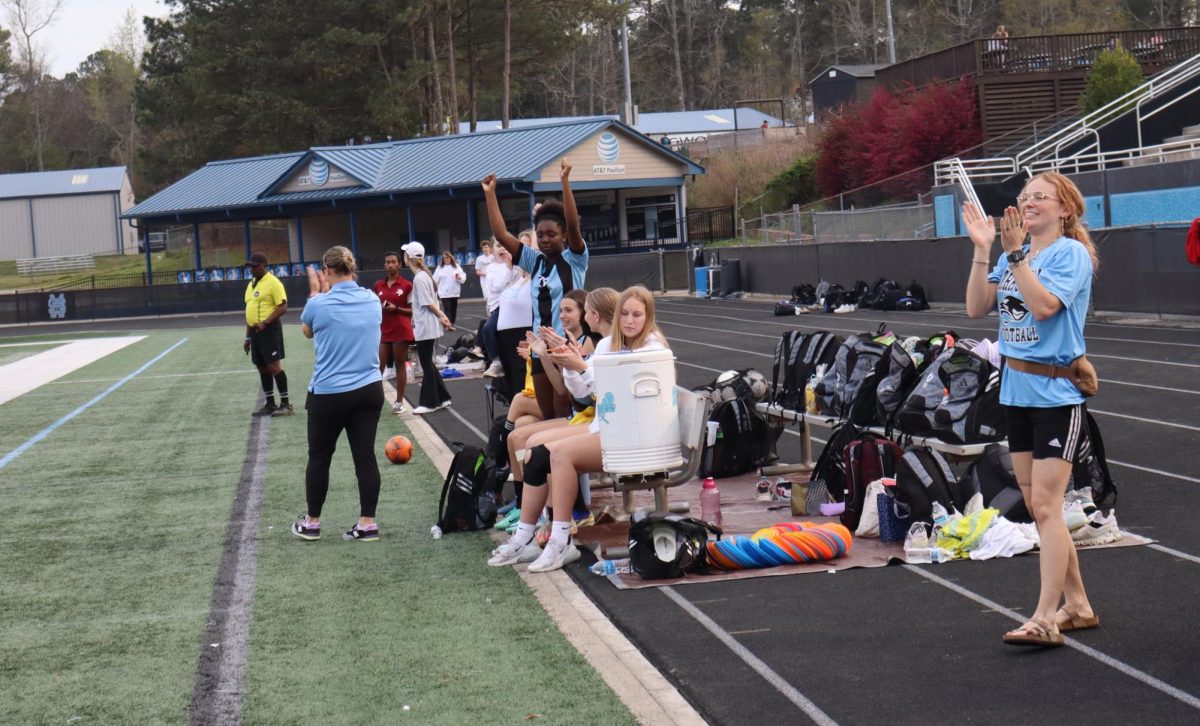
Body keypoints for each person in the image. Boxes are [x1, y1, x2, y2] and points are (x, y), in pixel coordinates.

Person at [962, 172, 1103, 647]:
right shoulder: (1011, 255)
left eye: (1039, 197)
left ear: (1065, 209)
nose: (1028, 204)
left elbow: (1043, 307)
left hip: (1056, 397)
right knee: (1042, 509)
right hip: (1016, 394)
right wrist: (984, 249)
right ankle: (1078, 606)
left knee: (1044, 505)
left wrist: (1018, 255)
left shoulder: (1071, 254)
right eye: (1024, 199)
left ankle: (1045, 617)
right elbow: (976, 307)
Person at [490, 286, 667, 572]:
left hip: (635, 437)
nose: (630, 320)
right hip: (609, 428)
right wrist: (570, 363)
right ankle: (527, 536)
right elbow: (581, 390)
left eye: (637, 314)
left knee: (559, 454)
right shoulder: (610, 344)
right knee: (535, 452)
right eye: (624, 313)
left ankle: (561, 541)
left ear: (648, 316)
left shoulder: (652, 348)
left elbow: (617, 393)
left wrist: (581, 367)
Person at [291, 246, 384, 542]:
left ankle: (313, 522)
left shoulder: (318, 304)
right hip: (370, 388)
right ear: (352, 268)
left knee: (319, 457)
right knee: (365, 456)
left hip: (330, 391)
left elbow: (307, 332)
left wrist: (315, 292)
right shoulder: (372, 299)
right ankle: (367, 523)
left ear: (327, 271)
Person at [482, 159, 588, 420]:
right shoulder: (534, 260)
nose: (544, 239)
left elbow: (573, 224)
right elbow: (501, 233)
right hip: (539, 350)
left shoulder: (574, 259)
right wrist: (490, 195)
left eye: (551, 234)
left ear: (563, 235)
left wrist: (565, 181)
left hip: (566, 347)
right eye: (540, 235)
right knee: (547, 415)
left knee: (564, 414)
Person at [403, 241, 454, 414]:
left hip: (425, 327)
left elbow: (428, 303)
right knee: (428, 363)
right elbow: (432, 302)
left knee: (426, 363)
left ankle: (430, 402)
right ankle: (443, 397)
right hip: (427, 325)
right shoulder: (424, 276)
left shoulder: (419, 278)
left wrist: (442, 316)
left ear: (408, 257)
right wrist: (443, 317)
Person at [242, 252, 292, 417]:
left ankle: (286, 404)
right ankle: (270, 403)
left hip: (269, 330)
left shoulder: (273, 282)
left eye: (255, 266)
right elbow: (249, 311)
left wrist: (266, 322)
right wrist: (247, 337)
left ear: (264, 265)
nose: (252, 269)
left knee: (274, 366)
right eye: (250, 266)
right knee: (261, 366)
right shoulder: (251, 284)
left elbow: (283, 307)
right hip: (255, 332)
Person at [373, 251, 414, 414]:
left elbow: (412, 311)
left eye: (393, 262)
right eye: (387, 262)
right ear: (384, 265)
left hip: (401, 329)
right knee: (378, 367)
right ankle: (374, 402)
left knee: (399, 366)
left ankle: (399, 402)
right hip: (384, 330)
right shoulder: (378, 286)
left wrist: (395, 308)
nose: (390, 265)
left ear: (399, 264)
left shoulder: (407, 285)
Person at [481, 240, 518, 378]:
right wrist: (508, 270)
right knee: (487, 329)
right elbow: (496, 287)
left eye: (504, 245)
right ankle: (496, 362)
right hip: (499, 307)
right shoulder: (491, 268)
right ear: (492, 249)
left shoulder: (517, 264)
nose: (502, 248)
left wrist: (511, 267)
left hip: (515, 305)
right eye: (498, 246)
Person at [432, 251, 467, 325]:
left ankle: (452, 322)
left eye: (447, 257)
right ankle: (448, 324)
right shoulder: (439, 268)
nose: (446, 259)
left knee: (453, 309)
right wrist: (433, 289)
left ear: (451, 258)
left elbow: (463, 277)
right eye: (444, 258)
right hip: (444, 293)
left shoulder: (456, 267)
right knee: (447, 308)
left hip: (454, 292)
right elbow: (434, 279)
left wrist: (459, 277)